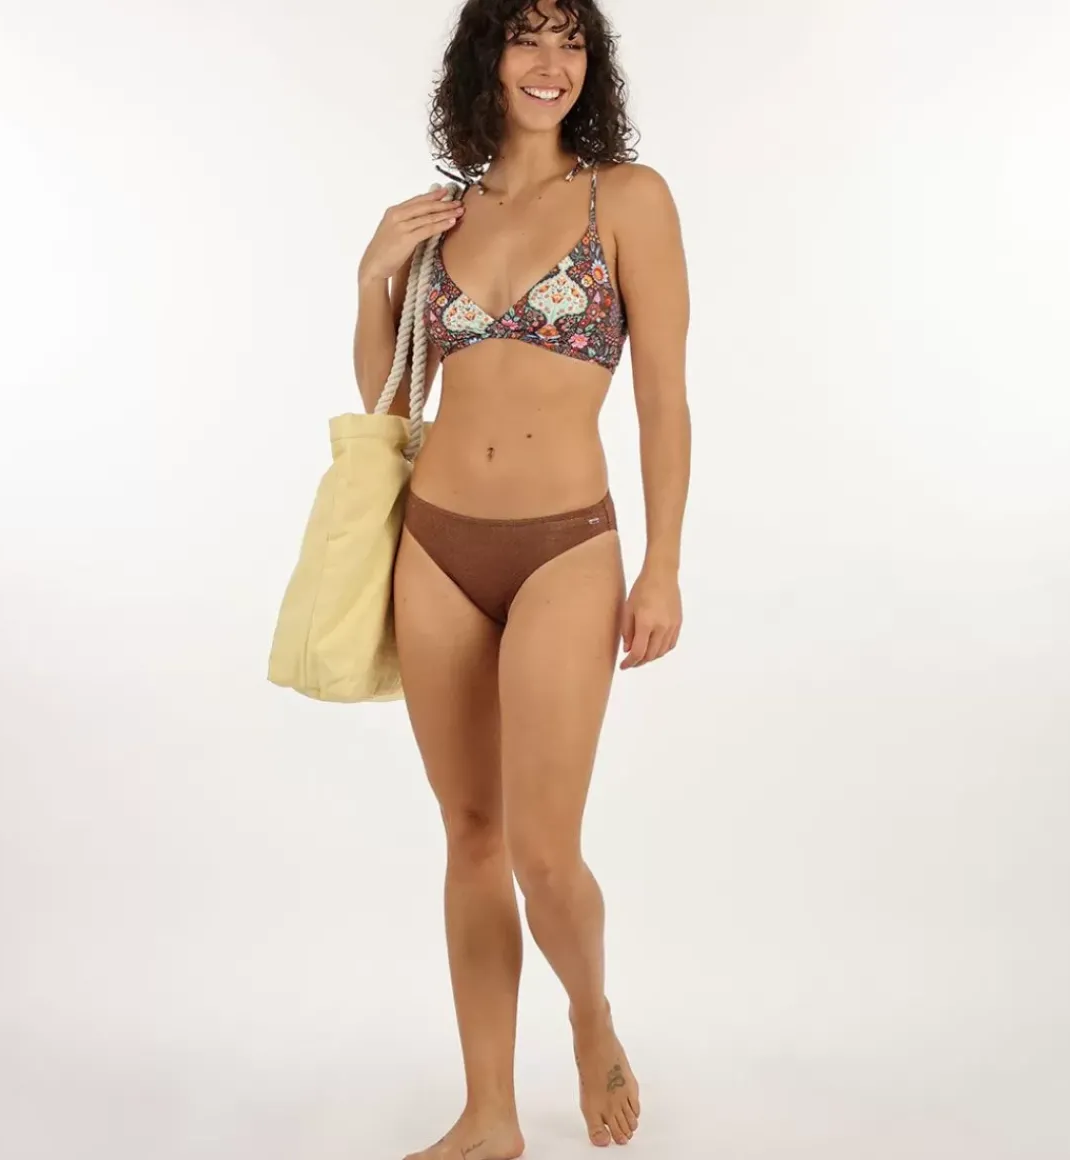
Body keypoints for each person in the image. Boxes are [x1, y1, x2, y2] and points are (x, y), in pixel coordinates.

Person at [353, 1, 690, 1156]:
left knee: (545, 852)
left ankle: (588, 1012)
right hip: (435, 547)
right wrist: (372, 278)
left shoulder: (625, 199)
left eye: (570, 41)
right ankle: (488, 1112)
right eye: (525, 38)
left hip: (564, 550)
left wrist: (662, 563)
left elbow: (662, 397)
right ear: (484, 59)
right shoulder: (443, 215)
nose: (550, 64)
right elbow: (391, 402)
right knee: (471, 835)